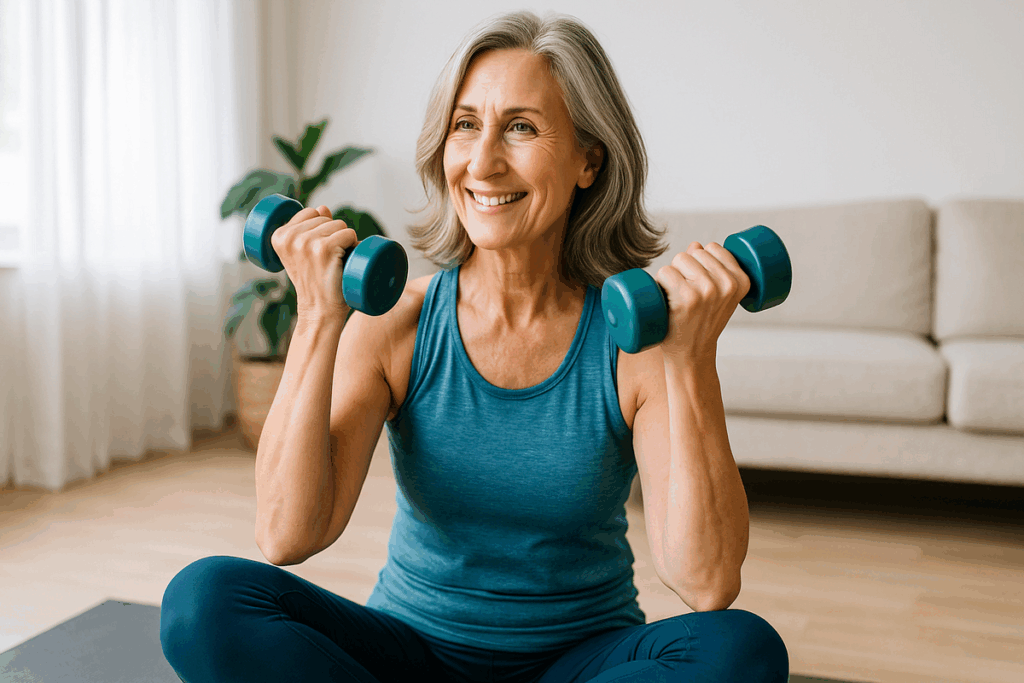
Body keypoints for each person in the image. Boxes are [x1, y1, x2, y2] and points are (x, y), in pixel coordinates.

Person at [160, 10, 789, 683]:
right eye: (466, 124)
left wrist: (690, 361)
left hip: (576, 663)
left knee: (741, 649)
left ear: (587, 159)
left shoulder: (631, 341)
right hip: (411, 652)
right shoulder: (399, 321)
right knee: (203, 601)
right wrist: (317, 315)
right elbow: (289, 534)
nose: (483, 161)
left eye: (520, 127)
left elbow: (706, 582)